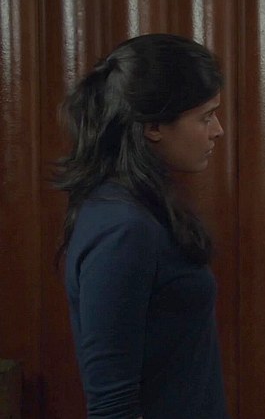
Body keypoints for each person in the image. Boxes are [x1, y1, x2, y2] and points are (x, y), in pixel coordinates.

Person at [55, 33, 229, 418]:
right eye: (205, 116)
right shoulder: (122, 228)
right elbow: (112, 404)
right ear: (153, 126)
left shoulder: (142, 206)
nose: (217, 129)